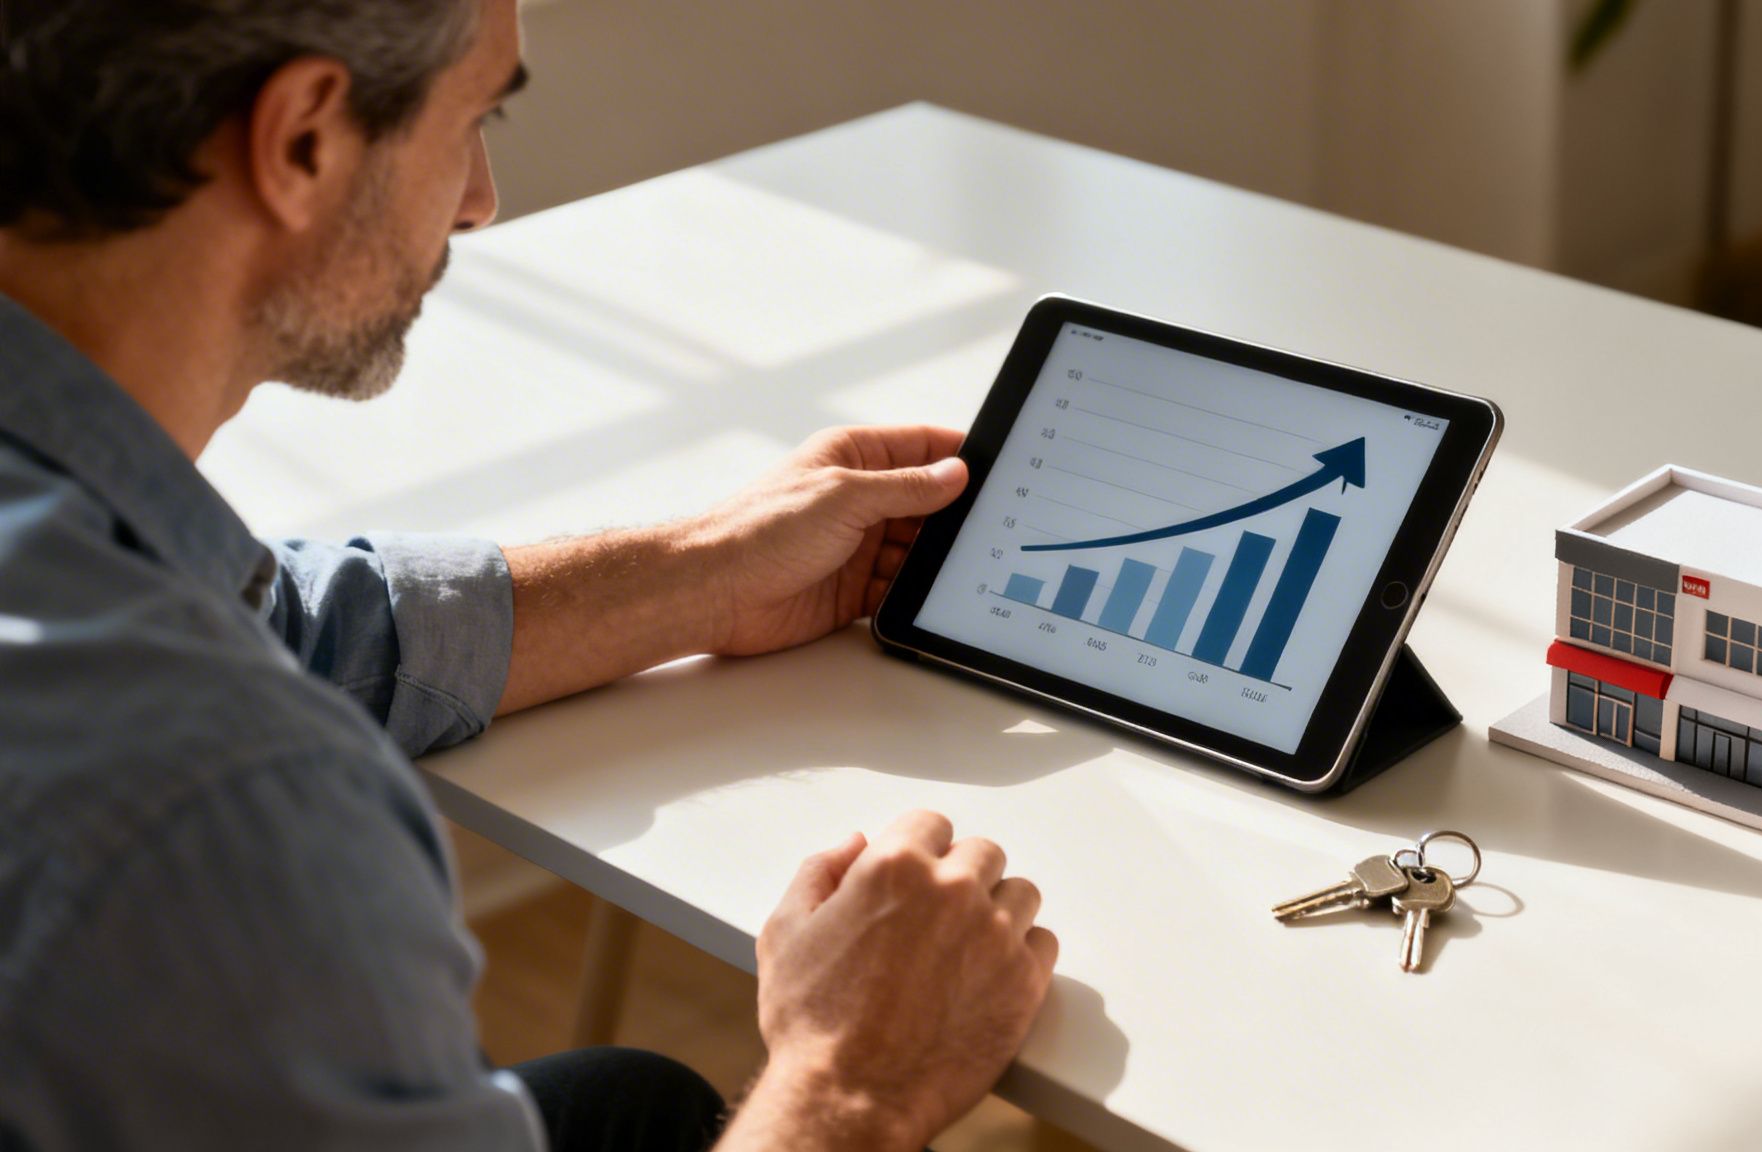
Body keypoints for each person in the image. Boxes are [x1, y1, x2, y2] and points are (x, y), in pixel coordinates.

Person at [0, 1, 1056, 1149]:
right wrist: (856, 1077)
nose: (479, 199)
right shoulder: (223, 811)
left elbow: (260, 621)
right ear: (301, 137)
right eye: (474, 119)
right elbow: (205, 725)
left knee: (630, 1103)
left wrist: (705, 573)